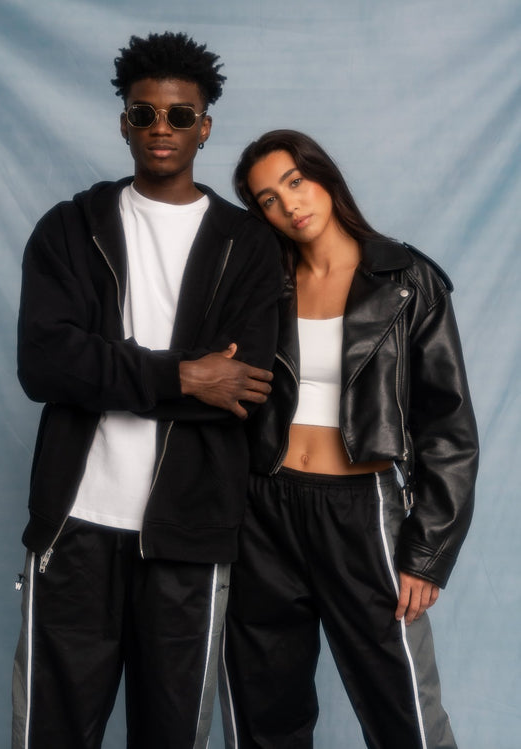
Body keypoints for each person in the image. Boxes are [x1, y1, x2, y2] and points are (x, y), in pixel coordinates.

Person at [12, 32, 282, 749]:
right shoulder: (72, 228)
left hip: (189, 535)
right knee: (52, 732)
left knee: (172, 735)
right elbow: (45, 364)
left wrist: (105, 371)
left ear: (205, 126)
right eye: (145, 114)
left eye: (180, 115)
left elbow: (244, 385)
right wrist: (183, 375)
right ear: (124, 123)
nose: (162, 128)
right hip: (75, 527)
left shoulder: (247, 245)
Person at [220, 130, 479, 749]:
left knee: (404, 712)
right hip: (264, 510)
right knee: (263, 712)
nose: (289, 205)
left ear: (323, 177)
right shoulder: (261, 284)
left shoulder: (406, 279)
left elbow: (447, 425)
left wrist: (427, 551)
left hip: (362, 510)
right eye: (268, 200)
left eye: (295, 182)